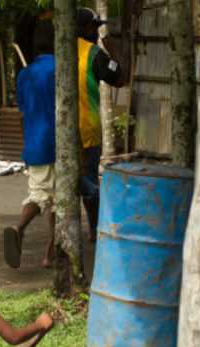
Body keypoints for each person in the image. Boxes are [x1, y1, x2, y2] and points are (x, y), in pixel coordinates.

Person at [3, 21, 56, 269]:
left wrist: (26, 147)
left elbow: (23, 113)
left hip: (34, 143)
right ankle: (20, 227)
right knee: (45, 197)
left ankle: (51, 250)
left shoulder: (25, 74)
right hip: (55, 143)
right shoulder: (61, 69)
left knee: (52, 196)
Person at [77, 7, 125, 242]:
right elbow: (118, 78)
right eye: (94, 27)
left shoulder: (60, 51)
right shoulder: (94, 54)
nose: (96, 31)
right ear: (87, 28)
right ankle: (94, 232)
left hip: (60, 130)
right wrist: (114, 53)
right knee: (89, 184)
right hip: (87, 130)